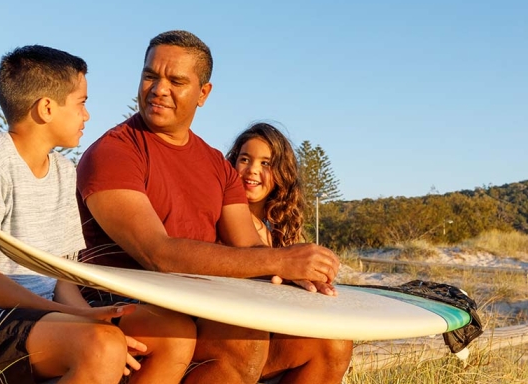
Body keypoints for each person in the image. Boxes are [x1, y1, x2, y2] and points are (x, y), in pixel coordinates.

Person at [76, 30, 343, 384]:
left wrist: (299, 272)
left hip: (202, 301)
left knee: (331, 343)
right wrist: (280, 259)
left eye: (176, 80)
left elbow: (246, 246)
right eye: (150, 76)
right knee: (239, 339)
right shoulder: (114, 153)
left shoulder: (216, 164)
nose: (159, 89)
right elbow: (158, 253)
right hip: (128, 303)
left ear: (203, 93)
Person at [0, 45, 194, 384]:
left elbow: (61, 278)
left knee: (174, 332)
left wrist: (85, 314)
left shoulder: (64, 171)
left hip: (48, 319)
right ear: (47, 108)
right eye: (81, 103)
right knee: (102, 345)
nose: (87, 115)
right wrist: (75, 317)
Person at [225, 122, 354, 383]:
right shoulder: (222, 213)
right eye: (245, 159)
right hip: (233, 336)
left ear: (281, 173)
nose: (252, 170)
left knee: (337, 342)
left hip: (271, 332)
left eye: (265, 163)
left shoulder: (276, 227)